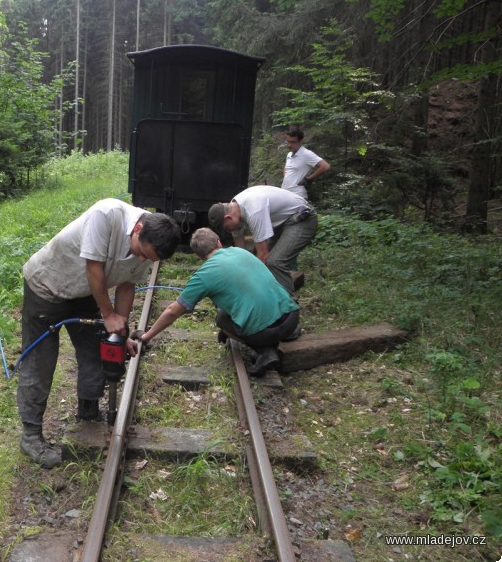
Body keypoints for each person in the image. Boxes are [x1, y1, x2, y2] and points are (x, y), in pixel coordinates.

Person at [17, 198, 181, 468]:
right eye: (141, 252)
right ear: (137, 228)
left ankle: (88, 411)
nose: (141, 259)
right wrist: (107, 314)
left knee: (98, 348)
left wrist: (121, 329)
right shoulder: (106, 215)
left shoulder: (149, 242)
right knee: (40, 362)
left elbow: (127, 284)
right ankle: (31, 436)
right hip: (47, 286)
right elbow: (94, 267)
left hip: (85, 291)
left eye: (148, 259)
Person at [136, 228, 299, 377]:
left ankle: (265, 351)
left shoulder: (204, 275)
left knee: (221, 319)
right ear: (219, 243)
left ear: (199, 257)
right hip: (292, 318)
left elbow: (173, 311)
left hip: (265, 333)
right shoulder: (240, 251)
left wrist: (146, 336)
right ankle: (286, 334)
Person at [207, 185, 317, 296]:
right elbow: (241, 251)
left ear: (228, 218)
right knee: (256, 259)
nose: (228, 231)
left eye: (226, 228)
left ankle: (288, 306)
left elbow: (263, 255)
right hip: (281, 222)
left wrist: (250, 286)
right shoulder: (233, 208)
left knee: (275, 262)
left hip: (302, 219)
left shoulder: (254, 210)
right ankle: (270, 295)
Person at [281, 128, 330, 199]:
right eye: (288, 142)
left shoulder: (306, 154)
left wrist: (309, 179)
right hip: (285, 193)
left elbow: (325, 166)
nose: (289, 145)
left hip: (297, 195)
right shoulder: (289, 154)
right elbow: (287, 169)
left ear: (300, 141)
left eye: (293, 142)